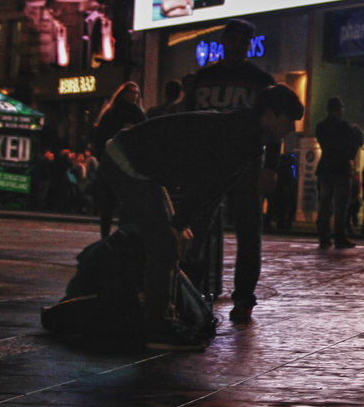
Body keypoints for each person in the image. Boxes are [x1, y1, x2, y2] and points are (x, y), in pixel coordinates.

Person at [99, 84, 303, 347]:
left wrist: (183, 225)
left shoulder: (252, 135)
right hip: (125, 161)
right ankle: (156, 328)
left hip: (140, 164)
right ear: (270, 114)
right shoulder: (242, 135)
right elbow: (210, 183)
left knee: (170, 242)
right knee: (163, 245)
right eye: (289, 120)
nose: (292, 129)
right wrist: (179, 225)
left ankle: (164, 318)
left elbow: (218, 185)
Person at [183, 19, 282, 322]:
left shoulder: (260, 80)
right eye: (234, 39)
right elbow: (188, 122)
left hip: (244, 165)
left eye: (244, 41)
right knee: (193, 231)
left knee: (247, 233)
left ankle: (242, 298)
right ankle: (186, 292)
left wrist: (271, 167)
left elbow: (273, 126)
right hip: (209, 164)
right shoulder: (204, 77)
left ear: (249, 45)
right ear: (224, 41)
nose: (239, 45)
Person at [92, 82, 148, 238]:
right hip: (113, 160)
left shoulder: (138, 113)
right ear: (122, 94)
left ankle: (123, 234)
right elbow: (101, 138)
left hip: (129, 163)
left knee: (127, 202)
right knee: (109, 202)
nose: (134, 96)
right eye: (130, 93)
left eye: (136, 93)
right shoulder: (112, 113)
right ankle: (106, 235)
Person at [314, 96, 364, 249]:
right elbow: (357, 142)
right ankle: (340, 237)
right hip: (340, 168)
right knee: (341, 206)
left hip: (325, 167)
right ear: (339, 110)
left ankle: (324, 237)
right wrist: (357, 131)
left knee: (324, 204)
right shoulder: (343, 127)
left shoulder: (320, 127)